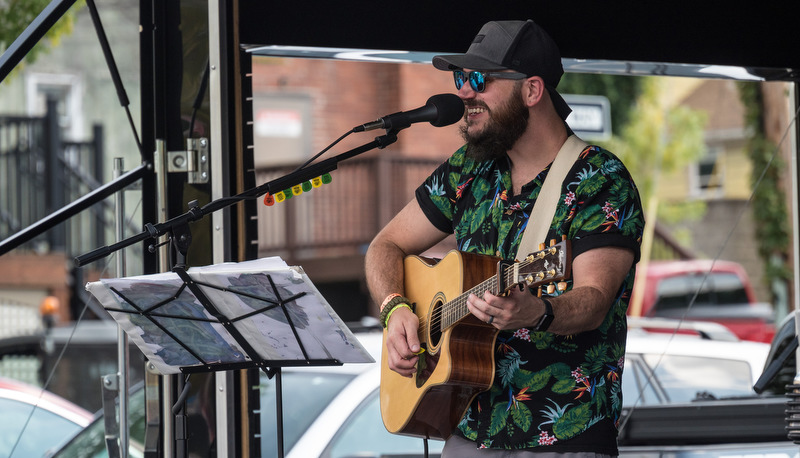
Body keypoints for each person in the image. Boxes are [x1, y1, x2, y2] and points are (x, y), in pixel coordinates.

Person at [364, 19, 644, 457]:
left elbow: (594, 300)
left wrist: (537, 310)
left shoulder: (599, 179)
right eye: (461, 78)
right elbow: (386, 246)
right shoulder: (469, 169)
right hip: (469, 425)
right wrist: (394, 308)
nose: (464, 93)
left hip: (564, 433)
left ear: (532, 91)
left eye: (480, 79)